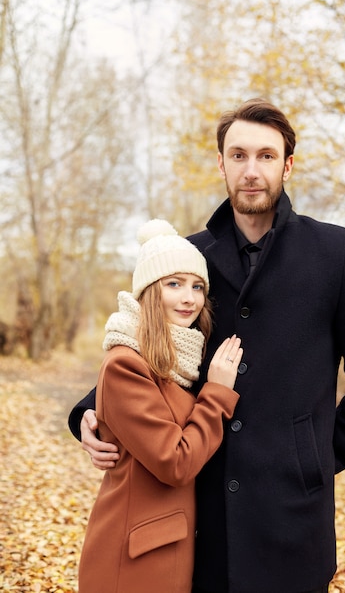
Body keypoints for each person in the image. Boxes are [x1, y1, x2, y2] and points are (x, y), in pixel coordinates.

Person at [69, 98, 345, 593]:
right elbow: (142, 347)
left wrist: (316, 455)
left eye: (266, 156)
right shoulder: (185, 258)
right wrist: (88, 416)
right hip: (198, 514)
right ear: (220, 163)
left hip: (292, 519)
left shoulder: (336, 254)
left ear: (287, 164)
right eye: (239, 155)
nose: (252, 170)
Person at [76, 218, 242, 593]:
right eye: (174, 284)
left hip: (167, 551)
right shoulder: (126, 363)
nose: (189, 298)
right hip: (134, 558)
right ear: (150, 291)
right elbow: (176, 462)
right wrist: (215, 394)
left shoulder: (179, 361)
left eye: (197, 286)